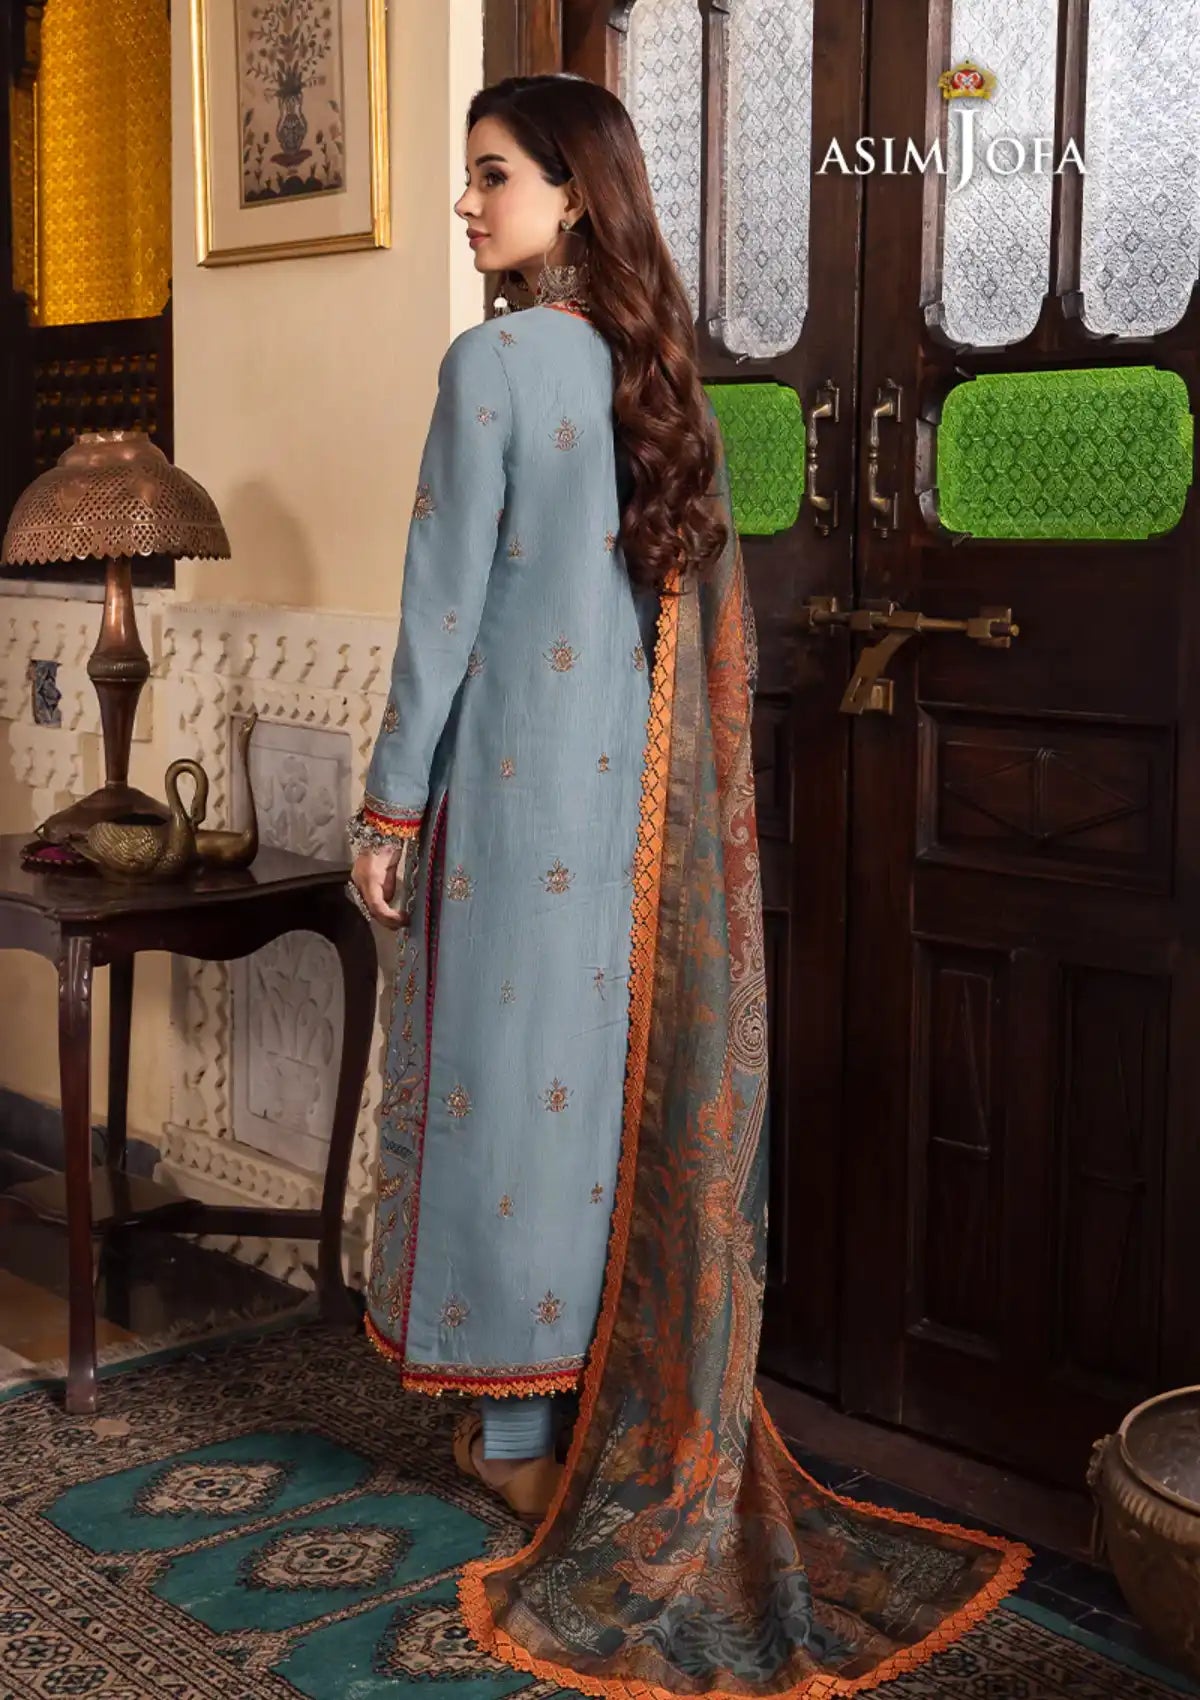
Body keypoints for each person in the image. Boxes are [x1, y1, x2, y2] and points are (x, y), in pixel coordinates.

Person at [349, 72, 1030, 1700]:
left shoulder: (494, 364)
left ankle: (524, 1440)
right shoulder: (666, 387)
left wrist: (386, 810)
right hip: (636, 821)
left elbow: (441, 612)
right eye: (467, 177)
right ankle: (585, 1414)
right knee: (592, 1099)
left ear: (573, 195)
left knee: (505, 1098)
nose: (468, 204)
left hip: (507, 802)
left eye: (492, 176)